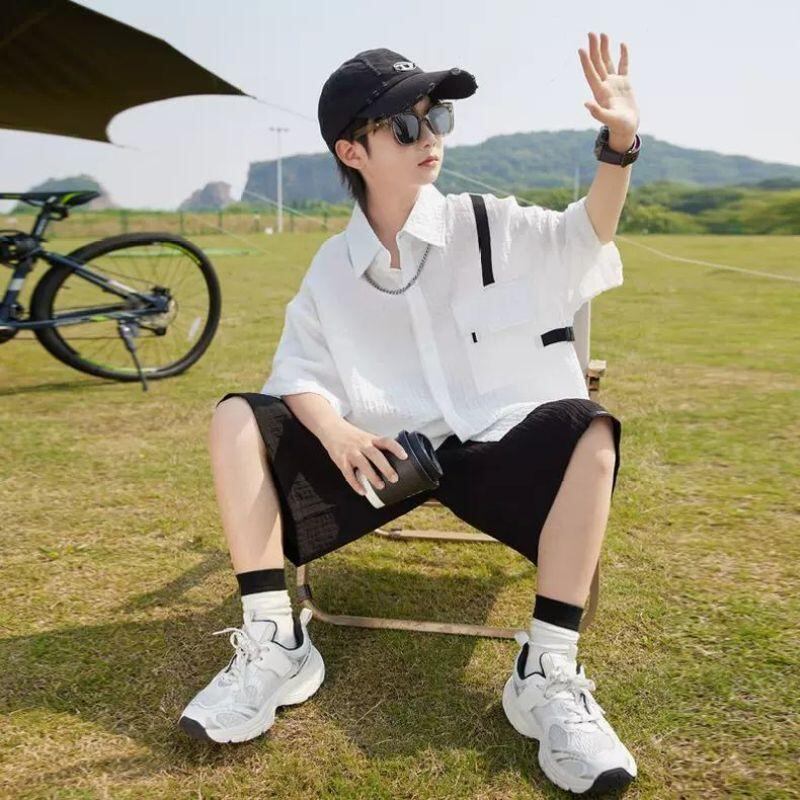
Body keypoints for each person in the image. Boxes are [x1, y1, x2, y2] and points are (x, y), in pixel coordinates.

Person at [180, 38, 641, 796]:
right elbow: (297, 372)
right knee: (237, 417)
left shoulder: (488, 223)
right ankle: (274, 642)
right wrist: (334, 430)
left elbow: (587, 234)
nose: (430, 137)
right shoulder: (333, 267)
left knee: (590, 429)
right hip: (382, 459)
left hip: (494, 451)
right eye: (405, 125)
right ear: (352, 151)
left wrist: (619, 144)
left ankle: (547, 670)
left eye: (438, 118)